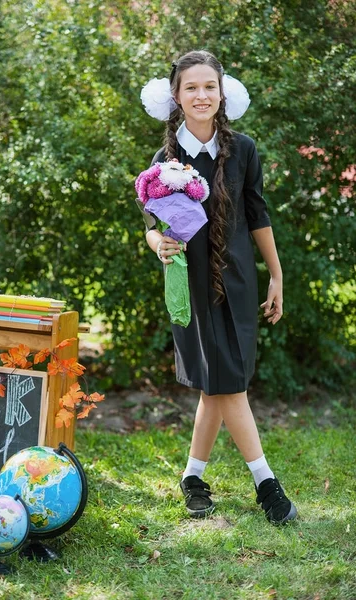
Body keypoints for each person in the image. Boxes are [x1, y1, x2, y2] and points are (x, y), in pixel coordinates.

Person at [136, 50, 297, 525]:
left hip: (241, 282)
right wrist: (156, 243)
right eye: (191, 87)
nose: (201, 95)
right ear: (176, 97)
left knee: (219, 385)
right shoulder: (164, 159)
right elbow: (149, 221)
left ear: (223, 93)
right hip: (190, 283)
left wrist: (277, 274)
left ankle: (192, 477)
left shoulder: (244, 148)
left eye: (210, 86)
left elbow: (257, 213)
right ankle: (266, 484)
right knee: (229, 383)